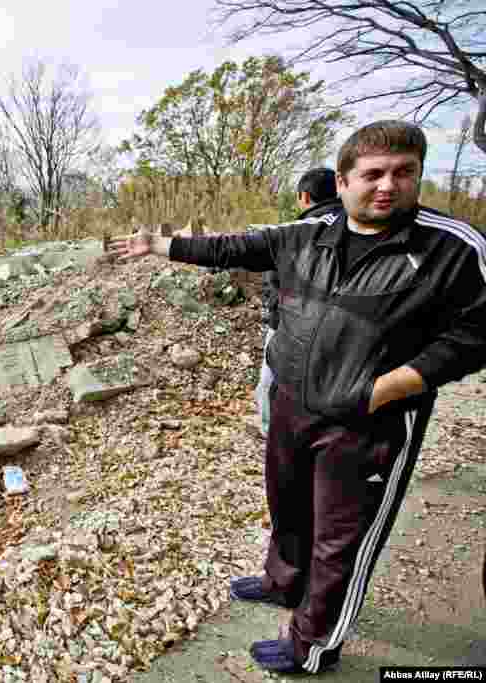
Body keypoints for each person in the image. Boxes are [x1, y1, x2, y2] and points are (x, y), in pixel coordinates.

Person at [111, 120, 486, 674]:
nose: (388, 186)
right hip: (293, 402)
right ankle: (283, 582)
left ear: (418, 176)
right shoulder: (309, 232)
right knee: (287, 507)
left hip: (368, 420)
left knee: (341, 541)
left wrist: (394, 384)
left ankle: (313, 643)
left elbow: (476, 333)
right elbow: (235, 247)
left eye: (404, 173)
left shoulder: (451, 248)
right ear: (342, 180)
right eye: (373, 174)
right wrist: (159, 245)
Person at [255, 169, 341, 438]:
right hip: (342, 328)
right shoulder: (361, 228)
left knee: (272, 381)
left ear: (304, 196)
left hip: (290, 324)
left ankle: (274, 433)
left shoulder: (294, 233)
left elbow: (274, 278)